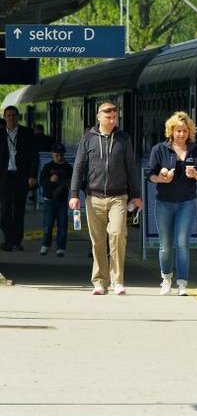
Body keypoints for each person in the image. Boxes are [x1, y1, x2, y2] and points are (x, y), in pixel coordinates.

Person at [69, 102, 142, 295]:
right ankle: (100, 281)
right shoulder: (88, 139)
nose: (112, 120)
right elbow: (79, 167)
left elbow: (131, 168)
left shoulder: (123, 139)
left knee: (117, 234)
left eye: (114, 117)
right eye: (108, 117)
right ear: (98, 117)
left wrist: (136, 195)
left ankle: (117, 280)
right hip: (94, 197)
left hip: (119, 196)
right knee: (98, 241)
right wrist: (74, 194)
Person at [147, 111, 197, 296]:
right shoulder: (159, 149)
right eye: (178, 130)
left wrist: (196, 175)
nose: (181, 134)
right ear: (171, 131)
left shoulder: (196, 150)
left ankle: (182, 283)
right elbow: (150, 175)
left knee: (182, 243)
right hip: (164, 202)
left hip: (187, 202)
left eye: (185, 131)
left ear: (190, 132)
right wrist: (161, 178)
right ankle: (166, 278)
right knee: (165, 245)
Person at [0, 106, 39, 252]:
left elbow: (34, 157)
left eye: (14, 115)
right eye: (8, 115)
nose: (11, 118)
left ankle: (15, 241)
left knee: (18, 209)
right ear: (5, 118)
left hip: (21, 176)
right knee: (4, 210)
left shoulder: (27, 133)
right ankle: (8, 238)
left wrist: (33, 176)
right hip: (4, 177)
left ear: (18, 117)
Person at [39, 142, 72, 257]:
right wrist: (50, 181)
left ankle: (61, 247)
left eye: (61, 155)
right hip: (49, 200)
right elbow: (41, 182)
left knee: (62, 225)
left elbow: (73, 181)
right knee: (48, 225)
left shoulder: (67, 167)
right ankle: (46, 244)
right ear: (52, 154)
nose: (59, 157)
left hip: (62, 200)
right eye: (57, 155)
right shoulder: (48, 167)